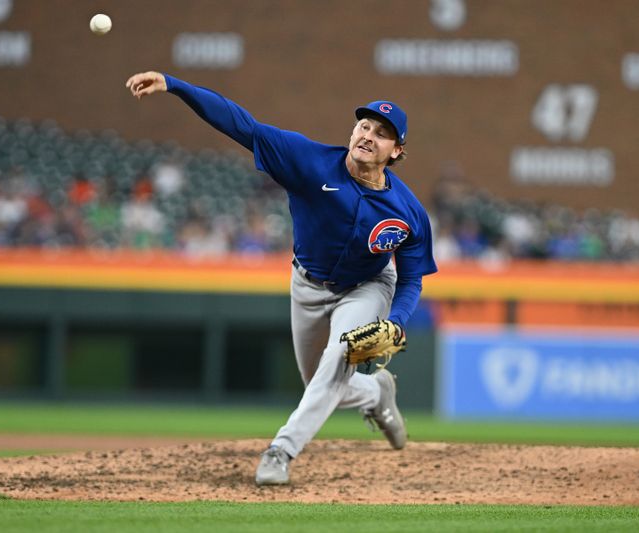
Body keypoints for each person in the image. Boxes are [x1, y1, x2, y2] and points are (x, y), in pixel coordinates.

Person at [126, 71, 438, 485]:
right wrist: (174, 84)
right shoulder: (308, 161)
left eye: (382, 133)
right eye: (364, 125)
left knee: (341, 356)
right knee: (321, 384)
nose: (368, 135)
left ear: (397, 151)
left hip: (367, 286)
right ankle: (377, 392)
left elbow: (411, 279)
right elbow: (240, 124)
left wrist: (396, 321)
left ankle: (281, 450)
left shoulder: (408, 211)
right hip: (307, 286)